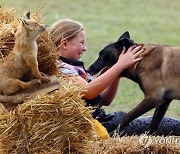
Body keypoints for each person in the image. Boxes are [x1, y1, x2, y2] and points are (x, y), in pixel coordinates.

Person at [50, 19, 180, 136]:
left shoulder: (75, 67)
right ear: (64, 43)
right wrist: (119, 65)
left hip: (106, 121)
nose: (85, 48)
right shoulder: (60, 69)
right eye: (81, 43)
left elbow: (105, 100)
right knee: (171, 125)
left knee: (166, 124)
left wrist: (118, 72)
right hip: (98, 127)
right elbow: (89, 92)